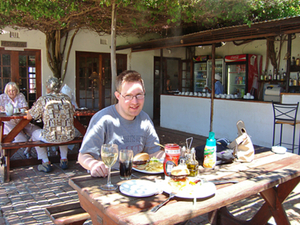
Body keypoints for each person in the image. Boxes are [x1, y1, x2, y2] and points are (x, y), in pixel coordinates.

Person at [78, 70, 164, 177]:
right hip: (107, 179)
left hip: (137, 180)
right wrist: (94, 164)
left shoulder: (145, 119)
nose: (135, 102)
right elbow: (83, 155)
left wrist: (170, 153)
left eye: (139, 95)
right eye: (128, 96)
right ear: (118, 96)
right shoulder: (103, 119)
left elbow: (153, 154)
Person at [27, 77, 75, 172]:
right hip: (69, 136)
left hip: (50, 137)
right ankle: (64, 159)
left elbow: (29, 116)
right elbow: (73, 111)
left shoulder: (44, 99)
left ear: (48, 88)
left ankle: (45, 162)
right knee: (62, 129)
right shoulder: (67, 98)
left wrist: (30, 109)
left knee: (35, 134)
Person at [0, 82, 40, 158]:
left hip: (22, 122)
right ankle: (7, 157)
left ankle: (27, 150)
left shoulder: (20, 96)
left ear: (16, 90)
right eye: (9, 90)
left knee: (37, 132)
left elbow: (25, 108)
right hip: (9, 123)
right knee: (22, 139)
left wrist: (17, 110)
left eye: (13, 90)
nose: (11, 92)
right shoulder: (2, 97)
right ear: (6, 91)